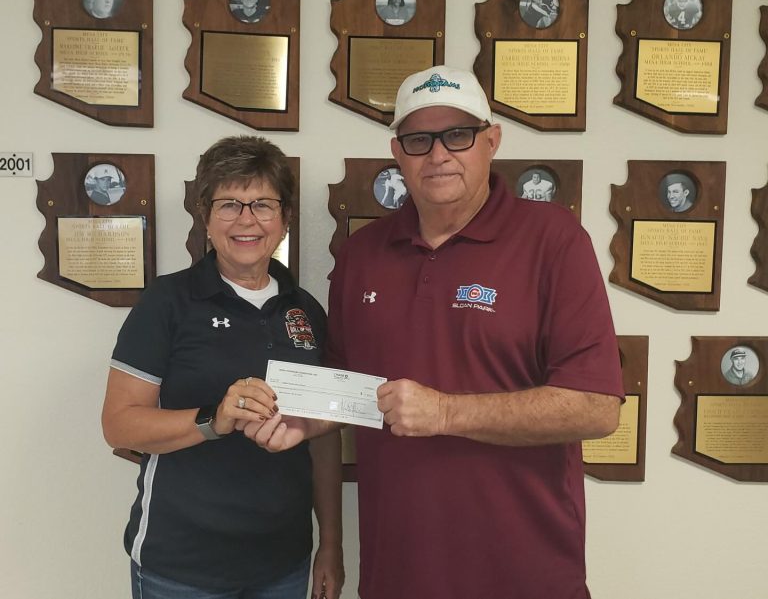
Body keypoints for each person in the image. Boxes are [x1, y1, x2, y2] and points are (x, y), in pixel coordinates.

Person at [246, 67, 623, 599]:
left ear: (492, 141)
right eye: (419, 139)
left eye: (458, 135)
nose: (439, 154)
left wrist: (446, 413)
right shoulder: (362, 254)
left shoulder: (554, 239)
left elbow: (596, 406)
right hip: (398, 571)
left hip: (527, 571)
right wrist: (305, 418)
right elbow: (348, 385)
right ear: (398, 152)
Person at [101, 136, 344, 599]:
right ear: (206, 218)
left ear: (285, 219)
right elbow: (118, 425)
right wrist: (215, 419)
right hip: (180, 567)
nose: (247, 219)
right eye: (229, 203)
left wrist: (330, 543)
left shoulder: (307, 310)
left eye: (263, 204)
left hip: (283, 563)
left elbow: (322, 436)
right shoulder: (166, 302)